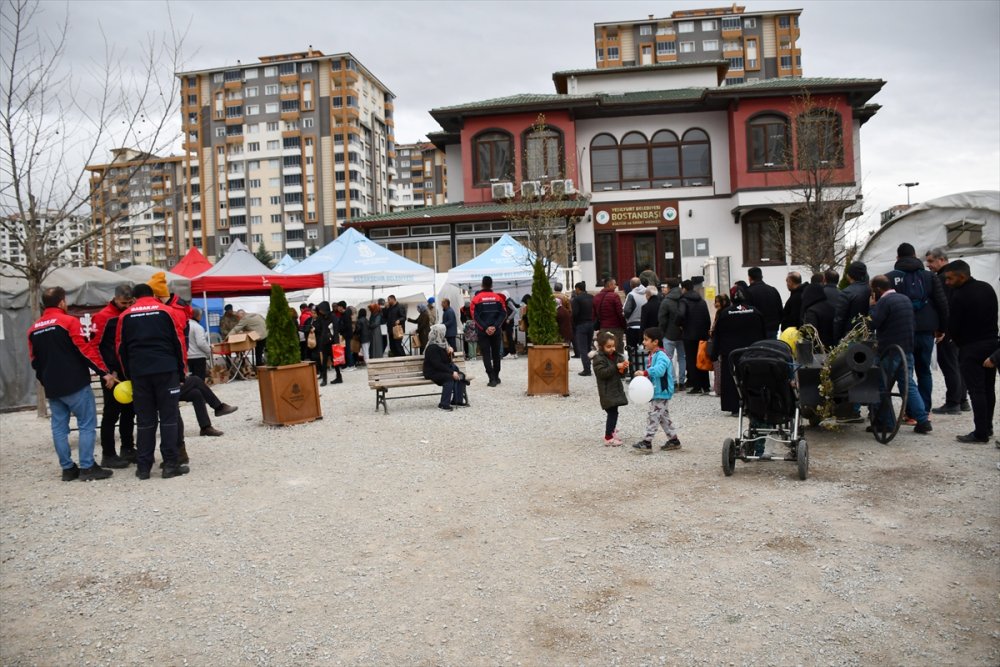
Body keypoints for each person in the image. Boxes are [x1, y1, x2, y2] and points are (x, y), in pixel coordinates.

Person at [29, 286, 117, 481]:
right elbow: (85, 350)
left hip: (52, 387)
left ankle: (68, 469)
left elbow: (35, 361)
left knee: (59, 428)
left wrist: (46, 381)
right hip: (75, 383)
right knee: (86, 424)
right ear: (61, 302)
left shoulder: (33, 329)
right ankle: (87, 467)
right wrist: (104, 373)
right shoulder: (68, 322)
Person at [116, 282, 190, 479]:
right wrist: (181, 373)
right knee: (169, 417)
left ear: (134, 298)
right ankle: (170, 465)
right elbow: (179, 342)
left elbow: (120, 348)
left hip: (139, 373)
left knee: (144, 420)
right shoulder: (166, 311)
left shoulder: (125, 315)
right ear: (154, 295)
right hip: (166, 370)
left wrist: (128, 375)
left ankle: (143, 468)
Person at [886, 242, 949, 419]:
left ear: (897, 258)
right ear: (915, 256)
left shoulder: (890, 277)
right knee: (924, 371)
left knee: (906, 373)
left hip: (902, 332)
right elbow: (942, 304)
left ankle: (911, 413)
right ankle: (924, 411)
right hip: (926, 330)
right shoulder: (930, 277)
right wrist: (941, 328)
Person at [940, 261, 998, 443]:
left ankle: (980, 433)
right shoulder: (987, 288)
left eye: (950, 278)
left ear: (962, 276)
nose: (947, 282)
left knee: (976, 391)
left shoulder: (959, 295)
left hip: (970, 348)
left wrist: (955, 340)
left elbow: (954, 326)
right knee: (988, 389)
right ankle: (987, 427)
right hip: (991, 343)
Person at [867, 275, 932, 435]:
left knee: (882, 387)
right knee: (908, 385)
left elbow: (873, 323)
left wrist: (872, 306)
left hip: (890, 350)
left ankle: (886, 423)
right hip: (907, 348)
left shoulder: (884, 302)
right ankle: (923, 421)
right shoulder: (905, 299)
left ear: (877, 289)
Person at [87, 284, 135, 468]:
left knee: (130, 412)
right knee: (111, 414)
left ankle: (128, 448)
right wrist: (105, 372)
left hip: (128, 372)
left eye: (130, 302)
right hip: (111, 375)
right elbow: (93, 346)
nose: (126, 305)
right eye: (123, 302)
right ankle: (108, 454)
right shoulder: (102, 317)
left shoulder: (130, 314)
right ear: (115, 298)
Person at [925, 248, 970, 414]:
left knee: (949, 364)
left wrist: (941, 328)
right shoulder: (953, 276)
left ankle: (953, 403)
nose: (928, 265)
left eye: (930, 261)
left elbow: (943, 305)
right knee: (957, 364)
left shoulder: (943, 279)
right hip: (957, 327)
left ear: (941, 260)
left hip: (948, 329)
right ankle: (962, 400)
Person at [711, 287, 767, 416]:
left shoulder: (725, 313)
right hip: (752, 352)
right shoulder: (755, 312)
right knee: (752, 378)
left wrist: (714, 354)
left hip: (731, 353)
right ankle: (754, 405)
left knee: (732, 379)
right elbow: (763, 333)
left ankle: (734, 406)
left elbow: (717, 335)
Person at [631, 327, 680, 452]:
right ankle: (674, 440)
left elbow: (660, 370)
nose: (643, 342)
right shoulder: (654, 354)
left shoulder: (661, 356)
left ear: (655, 342)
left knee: (653, 416)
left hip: (661, 392)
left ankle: (647, 442)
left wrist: (645, 373)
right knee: (663, 417)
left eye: (646, 339)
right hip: (658, 391)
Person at [590, 330, 629, 446]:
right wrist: (616, 367)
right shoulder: (598, 358)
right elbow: (602, 373)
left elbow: (621, 373)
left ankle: (612, 431)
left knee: (614, 412)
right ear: (601, 347)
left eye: (613, 346)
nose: (612, 349)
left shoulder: (616, 356)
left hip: (615, 389)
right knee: (612, 413)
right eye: (608, 347)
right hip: (606, 391)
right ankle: (608, 436)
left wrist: (623, 369)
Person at [471, 276, 507, 387]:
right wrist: (495, 327)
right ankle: (496, 376)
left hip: (483, 332)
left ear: (482, 284)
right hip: (496, 331)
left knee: (486, 355)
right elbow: (503, 313)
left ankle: (492, 378)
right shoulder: (498, 298)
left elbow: (474, 316)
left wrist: (485, 327)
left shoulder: (476, 299)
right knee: (496, 354)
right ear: (492, 285)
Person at [422, 324, 469, 410]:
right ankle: (443, 404)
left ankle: (457, 401)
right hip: (433, 372)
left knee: (461, 376)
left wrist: (450, 352)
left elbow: (447, 361)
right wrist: (451, 372)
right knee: (449, 378)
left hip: (441, 370)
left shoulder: (443, 343)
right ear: (439, 333)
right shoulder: (432, 347)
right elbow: (437, 364)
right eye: (443, 332)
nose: (445, 334)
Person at [678, 279, 711, 394]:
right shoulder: (702, 300)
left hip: (689, 335)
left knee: (692, 360)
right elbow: (707, 318)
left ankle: (696, 385)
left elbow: (681, 315)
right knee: (702, 358)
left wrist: (680, 325)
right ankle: (706, 385)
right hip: (702, 334)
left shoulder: (684, 301)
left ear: (684, 289)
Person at [179, 373, 237, 437]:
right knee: (196, 380)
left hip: (173, 384)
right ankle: (219, 407)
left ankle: (205, 427)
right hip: (168, 389)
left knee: (196, 393)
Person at [658, 277, 685, 389]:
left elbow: (662, 319)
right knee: (682, 357)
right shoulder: (683, 298)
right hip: (682, 333)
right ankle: (682, 381)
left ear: (669, 287)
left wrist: (662, 332)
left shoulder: (666, 301)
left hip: (669, 334)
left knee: (668, 358)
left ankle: (673, 381)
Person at [835, 261, 871, 340]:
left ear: (849, 275)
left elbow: (839, 319)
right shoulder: (870, 290)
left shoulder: (846, 292)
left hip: (851, 334)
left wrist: (837, 337)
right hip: (868, 332)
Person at [744, 267, 783, 338]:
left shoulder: (748, 292)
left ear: (749, 278)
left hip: (757, 330)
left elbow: (747, 312)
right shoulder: (773, 290)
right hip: (773, 328)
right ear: (761, 277)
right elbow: (780, 309)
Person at [593, 277, 626, 355]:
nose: (616, 286)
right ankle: (618, 366)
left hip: (603, 328)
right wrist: (624, 326)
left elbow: (593, 314)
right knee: (617, 351)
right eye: (614, 284)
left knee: (605, 350)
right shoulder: (614, 296)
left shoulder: (596, 297)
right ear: (610, 285)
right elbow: (620, 313)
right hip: (616, 328)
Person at [311, 301, 341, 386]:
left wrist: (336, 343)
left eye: (321, 309)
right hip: (324, 342)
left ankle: (339, 376)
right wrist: (314, 329)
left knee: (334, 361)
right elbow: (320, 328)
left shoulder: (333, 317)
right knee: (324, 361)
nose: (320, 311)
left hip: (332, 342)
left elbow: (336, 330)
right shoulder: (321, 317)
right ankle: (324, 379)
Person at [623, 276, 649, 373]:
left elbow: (627, 310)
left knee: (632, 350)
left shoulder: (631, 294)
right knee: (645, 350)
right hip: (644, 325)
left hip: (633, 326)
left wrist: (626, 317)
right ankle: (645, 369)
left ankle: (634, 370)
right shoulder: (647, 292)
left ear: (631, 285)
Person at [801, 282, 837, 349]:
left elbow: (809, 334)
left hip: (818, 349)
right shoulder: (831, 307)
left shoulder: (812, 311)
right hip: (832, 347)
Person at [571, 282, 595, 375]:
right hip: (591, 324)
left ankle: (587, 369)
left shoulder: (577, 299)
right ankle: (590, 366)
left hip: (581, 325)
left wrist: (574, 324)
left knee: (583, 348)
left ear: (577, 289)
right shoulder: (592, 297)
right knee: (588, 347)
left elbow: (575, 314)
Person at [710, 293, 731, 396]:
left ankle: (718, 389)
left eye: (718, 302)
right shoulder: (723, 312)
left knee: (718, 368)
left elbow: (717, 329)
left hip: (719, 344)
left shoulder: (722, 313)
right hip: (721, 343)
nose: (715, 304)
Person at [187, 307, 212, 380]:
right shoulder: (198, 327)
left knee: (191, 379)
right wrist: (209, 350)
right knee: (199, 380)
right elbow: (201, 343)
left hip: (188, 356)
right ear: (199, 316)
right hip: (198, 356)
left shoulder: (185, 325)